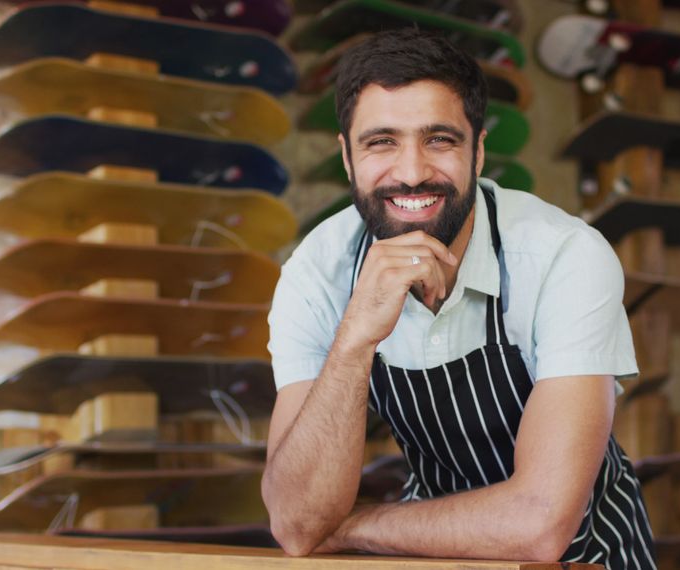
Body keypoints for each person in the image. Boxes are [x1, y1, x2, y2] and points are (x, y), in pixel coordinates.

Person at [261, 28, 656, 567]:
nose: (412, 172)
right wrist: (354, 337)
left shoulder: (564, 256)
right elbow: (296, 522)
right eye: (381, 142)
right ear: (348, 160)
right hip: (435, 553)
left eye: (439, 139)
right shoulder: (318, 272)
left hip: (589, 553)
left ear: (479, 151)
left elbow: (540, 526)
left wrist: (355, 525)